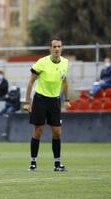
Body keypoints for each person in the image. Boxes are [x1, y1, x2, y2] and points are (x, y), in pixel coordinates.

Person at [23, 37, 70, 172]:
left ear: (62, 48)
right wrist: (27, 101)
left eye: (59, 46)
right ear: (50, 49)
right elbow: (31, 82)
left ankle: (57, 164)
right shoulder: (41, 63)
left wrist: (66, 99)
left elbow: (65, 82)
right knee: (38, 131)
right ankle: (33, 163)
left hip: (55, 100)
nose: (56, 49)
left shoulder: (65, 63)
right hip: (40, 99)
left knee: (57, 132)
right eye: (54, 47)